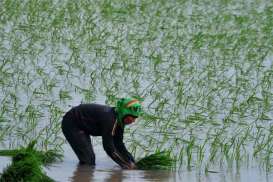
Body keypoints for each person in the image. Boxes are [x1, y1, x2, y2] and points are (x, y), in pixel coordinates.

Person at [61, 97, 142, 169]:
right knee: (88, 160)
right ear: (124, 113)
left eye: (135, 118)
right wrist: (125, 164)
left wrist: (132, 161)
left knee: (90, 159)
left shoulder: (119, 121)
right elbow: (108, 148)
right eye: (132, 117)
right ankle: (82, 176)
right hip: (72, 123)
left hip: (83, 125)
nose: (133, 121)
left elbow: (119, 144)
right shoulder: (110, 120)